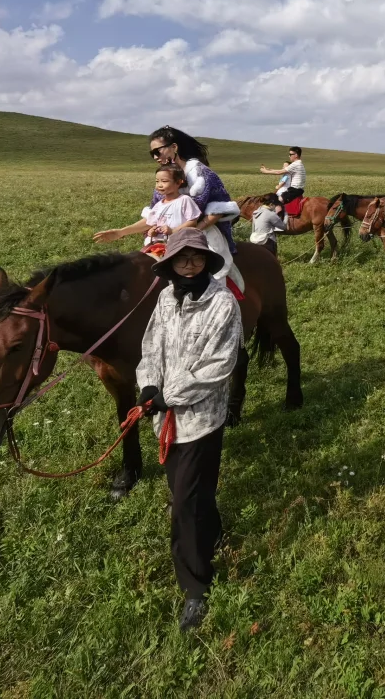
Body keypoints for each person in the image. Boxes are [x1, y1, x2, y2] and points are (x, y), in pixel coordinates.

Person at [136, 227, 243, 630]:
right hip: (167, 419)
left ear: (206, 261)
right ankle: (212, 532)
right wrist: (149, 385)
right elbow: (151, 347)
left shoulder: (223, 303)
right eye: (182, 258)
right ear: (171, 264)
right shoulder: (166, 298)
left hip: (202, 419)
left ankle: (195, 586)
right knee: (190, 491)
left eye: (197, 257)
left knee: (183, 504)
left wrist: (171, 394)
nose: (190, 264)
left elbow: (220, 364)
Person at [149, 126, 243, 289]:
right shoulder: (164, 177)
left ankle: (221, 298)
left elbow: (219, 209)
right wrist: (122, 232)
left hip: (203, 232)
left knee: (213, 275)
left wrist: (192, 232)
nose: (156, 157)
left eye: (158, 151)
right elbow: (156, 212)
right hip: (169, 235)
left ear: (174, 147)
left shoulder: (202, 174)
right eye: (152, 154)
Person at [94, 167, 201, 257]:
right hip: (159, 248)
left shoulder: (184, 200)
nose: (159, 185)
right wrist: (121, 232)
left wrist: (173, 231)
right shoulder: (159, 205)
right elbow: (149, 223)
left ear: (178, 182)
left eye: (164, 181)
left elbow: (193, 221)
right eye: (157, 181)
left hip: (179, 247)